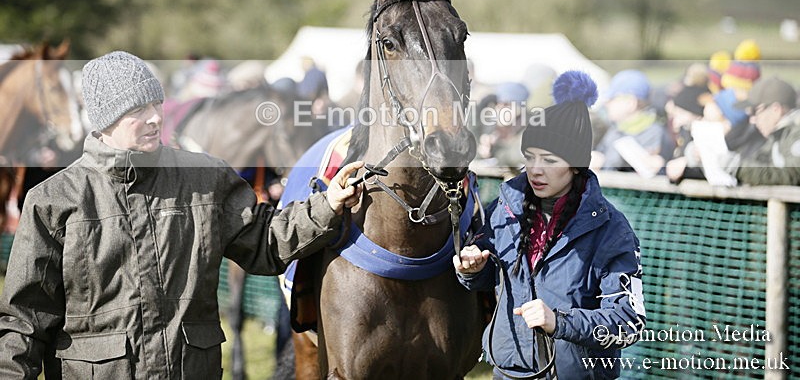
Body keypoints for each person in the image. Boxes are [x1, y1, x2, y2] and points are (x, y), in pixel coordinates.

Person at [0, 51, 364, 379]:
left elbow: (266, 240)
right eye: (138, 109)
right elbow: (24, 320)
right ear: (106, 118)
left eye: (156, 104)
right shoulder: (54, 200)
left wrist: (328, 204)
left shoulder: (205, 178)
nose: (155, 118)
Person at [454, 71, 646, 379]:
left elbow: (628, 323)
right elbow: (489, 281)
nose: (536, 170)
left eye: (550, 160)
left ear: (576, 165)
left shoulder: (611, 229)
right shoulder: (504, 209)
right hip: (509, 370)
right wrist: (473, 269)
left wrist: (560, 322)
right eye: (530, 157)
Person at [591, 69, 671, 175]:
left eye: (612, 98)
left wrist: (604, 163)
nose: (606, 103)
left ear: (631, 103)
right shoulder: (615, 130)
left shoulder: (655, 134)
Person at [734, 77, 800, 186]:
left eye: (755, 112)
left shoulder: (796, 134)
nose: (752, 120)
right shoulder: (778, 136)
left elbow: (794, 174)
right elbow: (757, 160)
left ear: (776, 109)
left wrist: (738, 169)